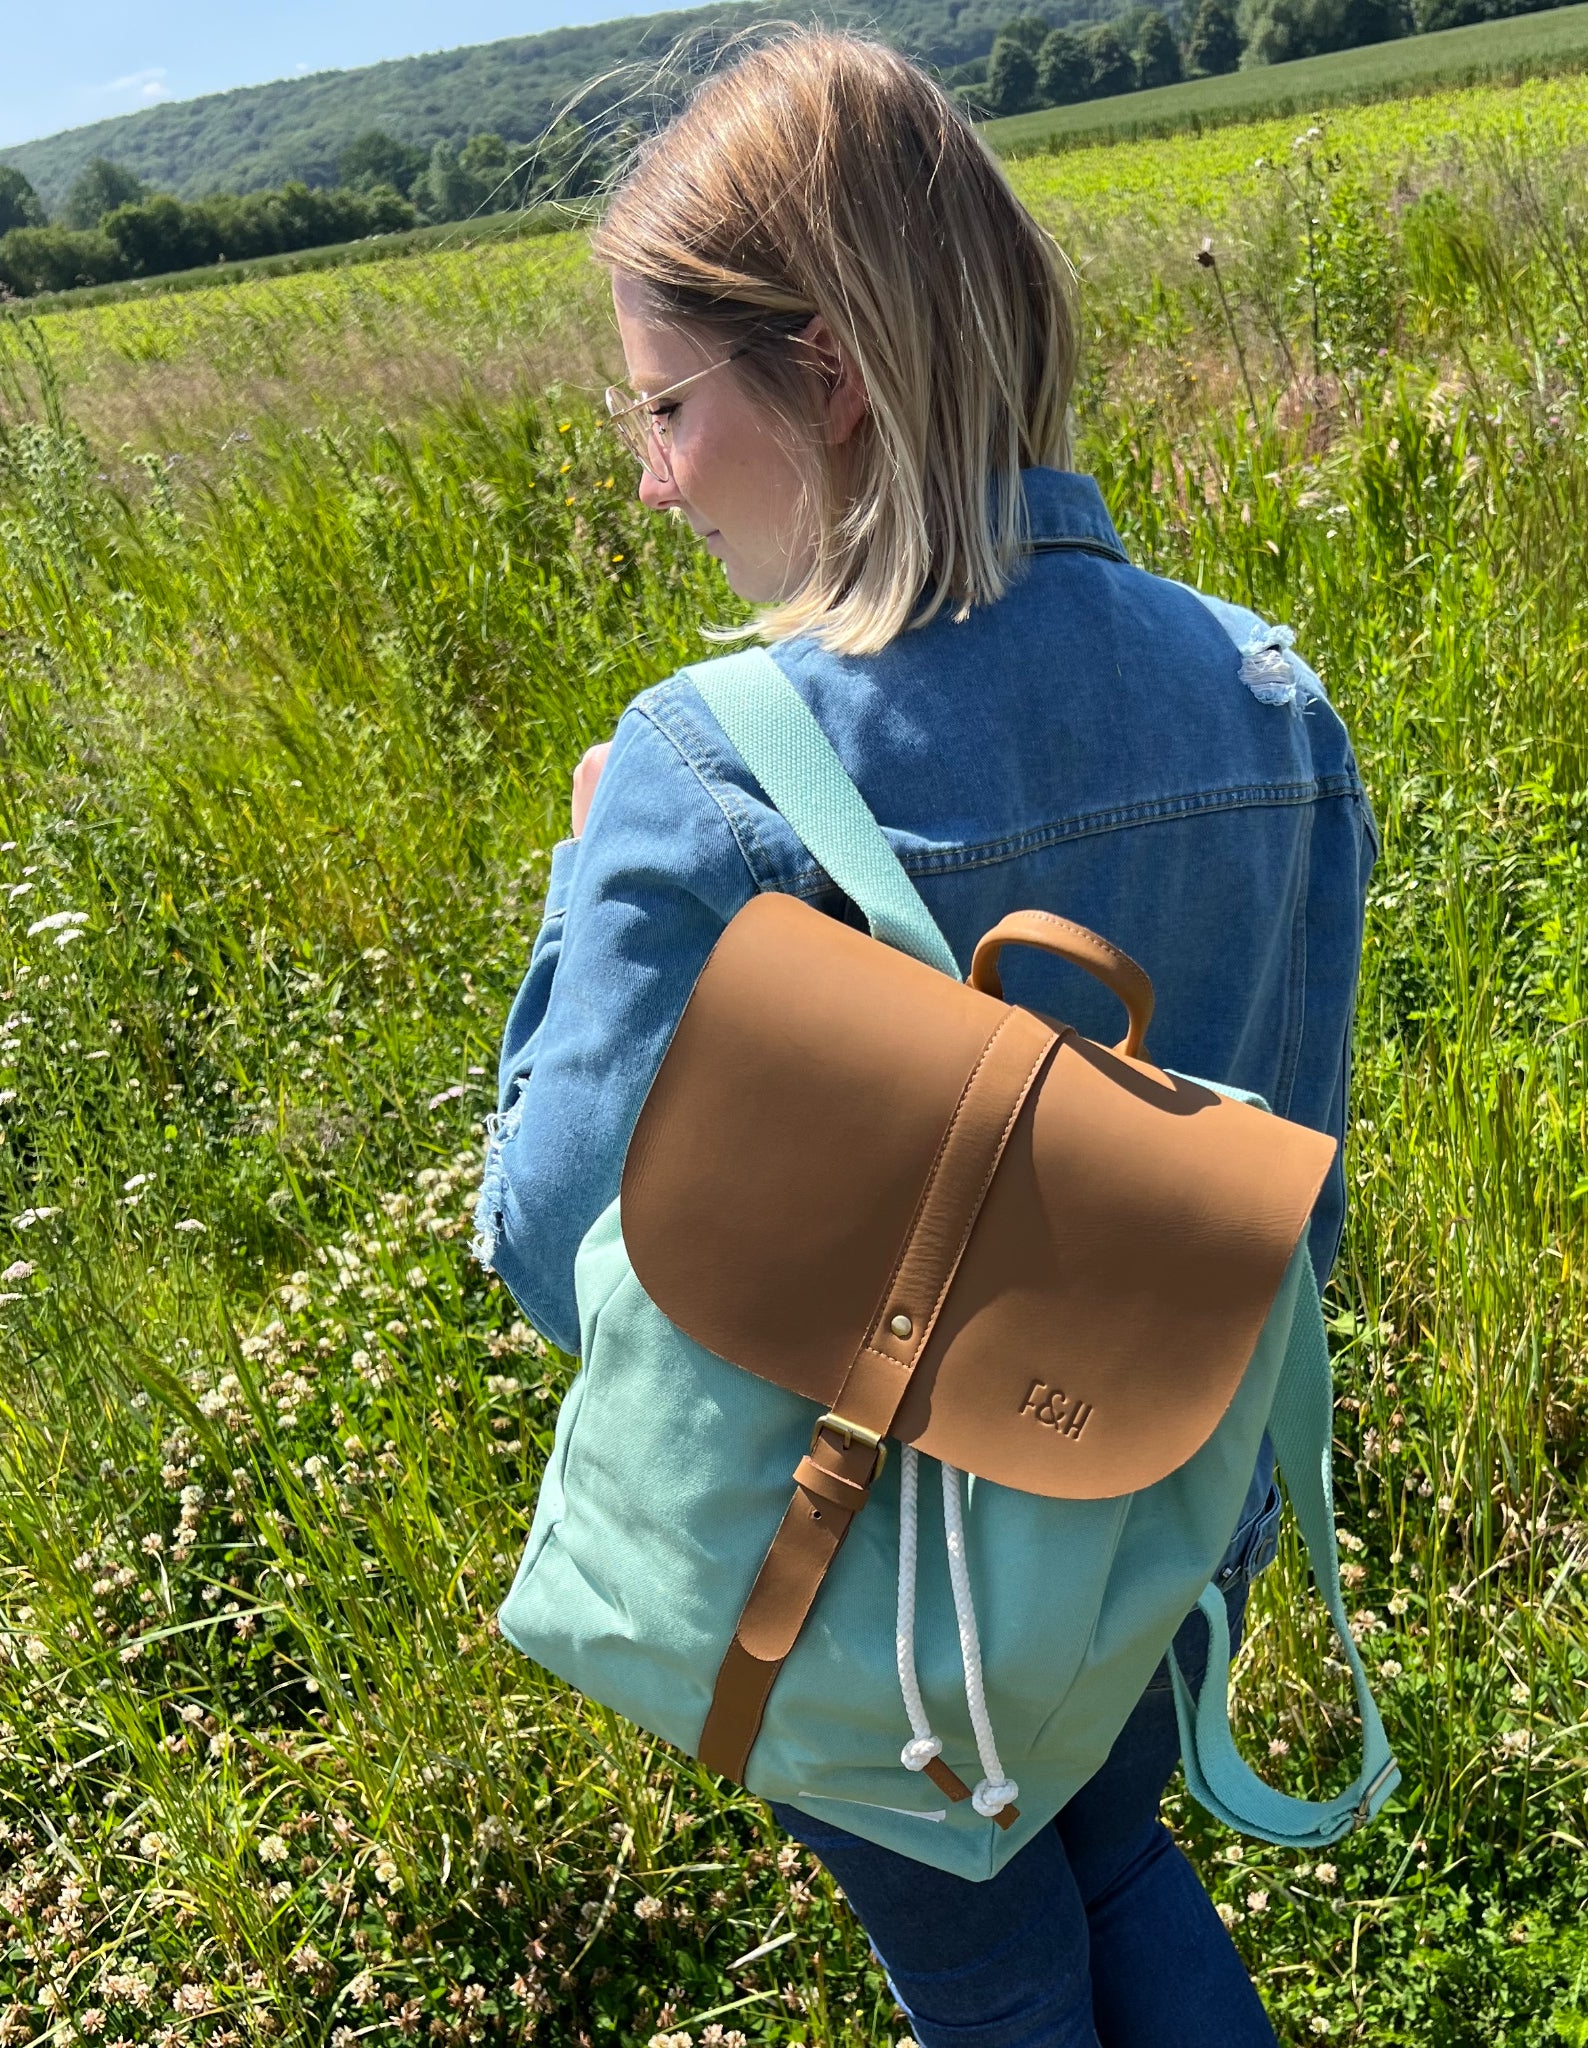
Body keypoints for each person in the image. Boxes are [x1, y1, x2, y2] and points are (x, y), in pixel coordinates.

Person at [472, 32, 1375, 2048]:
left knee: (982, 1959)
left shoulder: (712, 769)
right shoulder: (1264, 694)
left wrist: (579, 876)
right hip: (1147, 1510)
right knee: (1117, 1854)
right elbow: (1287, 1181)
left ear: (834, 375)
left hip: (848, 1569)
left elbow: (553, 1249)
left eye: (665, 404)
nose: (651, 473)